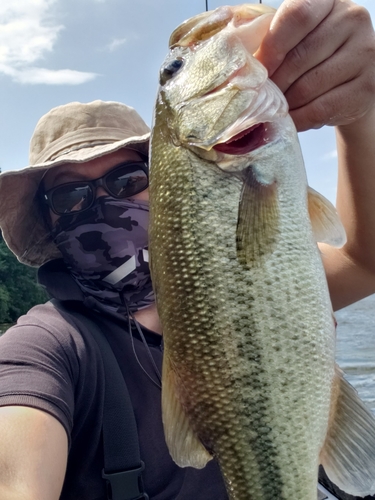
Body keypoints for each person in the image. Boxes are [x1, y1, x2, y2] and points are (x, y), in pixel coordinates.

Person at [0, 0, 375, 498]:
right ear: (48, 221)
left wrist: (359, 113)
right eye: (69, 194)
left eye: (127, 178)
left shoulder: (246, 276)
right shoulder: (49, 349)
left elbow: (365, 260)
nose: (103, 205)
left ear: (165, 185)